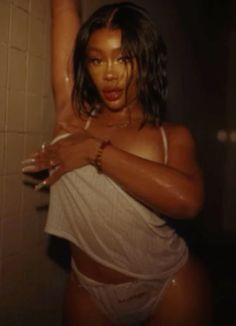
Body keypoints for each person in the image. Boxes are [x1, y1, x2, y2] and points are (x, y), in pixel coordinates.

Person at [22, 1, 212, 325]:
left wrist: (95, 151)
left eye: (124, 58)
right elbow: (64, 10)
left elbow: (188, 201)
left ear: (145, 60)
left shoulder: (171, 136)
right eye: (96, 60)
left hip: (170, 285)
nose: (109, 73)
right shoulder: (73, 116)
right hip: (88, 291)